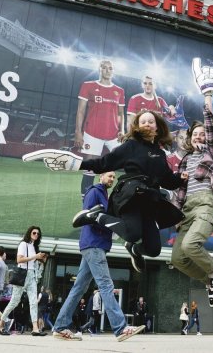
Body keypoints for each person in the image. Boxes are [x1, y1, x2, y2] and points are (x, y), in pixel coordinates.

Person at [24, 111, 185, 273]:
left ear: (158, 126)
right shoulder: (130, 146)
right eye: (143, 122)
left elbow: (167, 181)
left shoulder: (161, 154)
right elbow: (103, 163)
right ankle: (96, 215)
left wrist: (181, 177)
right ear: (137, 126)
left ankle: (135, 250)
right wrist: (76, 164)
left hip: (150, 202)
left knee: (154, 249)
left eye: (151, 121)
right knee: (132, 234)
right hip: (132, 196)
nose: (147, 124)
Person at [50, 171, 145, 342]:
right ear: (101, 176)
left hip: (93, 245)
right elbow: (86, 217)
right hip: (94, 245)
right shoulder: (94, 192)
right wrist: (108, 226)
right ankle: (121, 328)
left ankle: (59, 327)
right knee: (106, 285)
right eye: (109, 176)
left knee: (78, 288)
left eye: (114, 177)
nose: (112, 179)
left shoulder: (104, 195)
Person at [171, 61, 213, 307]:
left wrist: (207, 98)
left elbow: (212, 128)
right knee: (179, 259)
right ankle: (211, 280)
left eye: (202, 134)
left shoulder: (212, 153)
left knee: (191, 245)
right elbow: (178, 192)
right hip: (186, 212)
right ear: (189, 138)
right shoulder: (184, 161)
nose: (200, 136)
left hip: (205, 205)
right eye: (196, 134)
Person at [75, 60, 125, 196]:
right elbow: (80, 111)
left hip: (114, 135)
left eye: (110, 68)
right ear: (100, 69)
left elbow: (121, 114)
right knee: (90, 168)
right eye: (104, 68)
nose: (108, 70)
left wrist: (122, 130)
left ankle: (118, 198)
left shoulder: (119, 91)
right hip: (92, 133)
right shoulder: (88, 86)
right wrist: (78, 132)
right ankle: (86, 201)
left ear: (113, 71)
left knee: (125, 162)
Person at [0, 226, 48, 336]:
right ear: (29, 232)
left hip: (31, 275)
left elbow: (32, 261)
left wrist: (41, 259)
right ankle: (0, 324)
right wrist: (35, 256)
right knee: (14, 301)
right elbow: (19, 259)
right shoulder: (23, 244)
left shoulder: (34, 247)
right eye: (34, 233)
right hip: (22, 274)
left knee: (34, 302)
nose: (36, 235)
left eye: (38, 234)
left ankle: (35, 328)